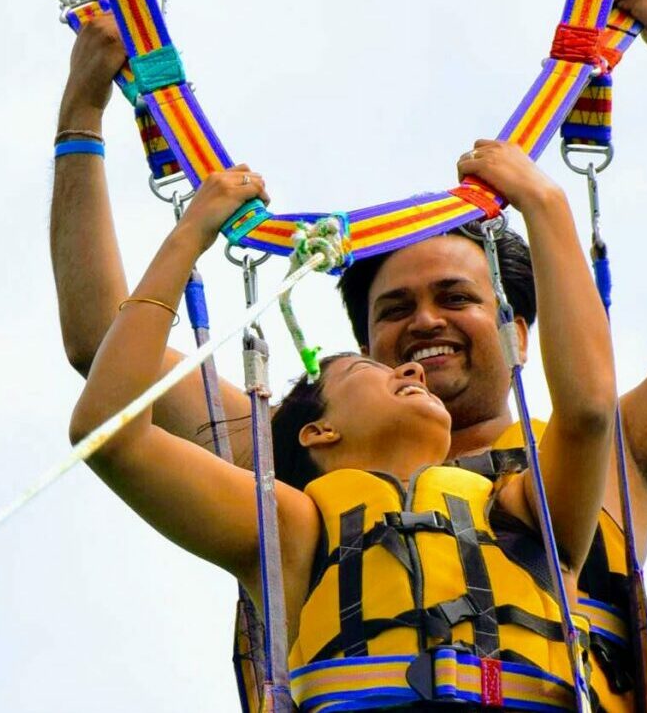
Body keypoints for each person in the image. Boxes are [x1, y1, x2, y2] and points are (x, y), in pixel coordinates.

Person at [50, 0, 647, 710]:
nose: (425, 322)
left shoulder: (613, 462)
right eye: (394, 310)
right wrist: (81, 121)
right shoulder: (289, 462)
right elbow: (104, 349)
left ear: (519, 332)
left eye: (456, 297)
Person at [68, 152, 617, 712]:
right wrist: (187, 239)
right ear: (317, 431)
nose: (411, 369)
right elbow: (110, 434)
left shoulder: (521, 506)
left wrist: (546, 206)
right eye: (369, 369)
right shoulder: (292, 528)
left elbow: (590, 411)